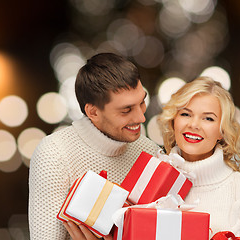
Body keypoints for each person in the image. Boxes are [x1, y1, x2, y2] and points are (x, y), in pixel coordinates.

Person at [29, 53, 159, 240]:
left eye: (142, 102)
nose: (141, 118)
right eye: (126, 110)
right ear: (93, 112)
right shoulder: (55, 154)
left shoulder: (149, 152)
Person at [158, 76, 240, 240]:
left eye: (208, 118)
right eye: (186, 114)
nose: (194, 124)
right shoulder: (153, 180)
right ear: (173, 122)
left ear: (222, 131)